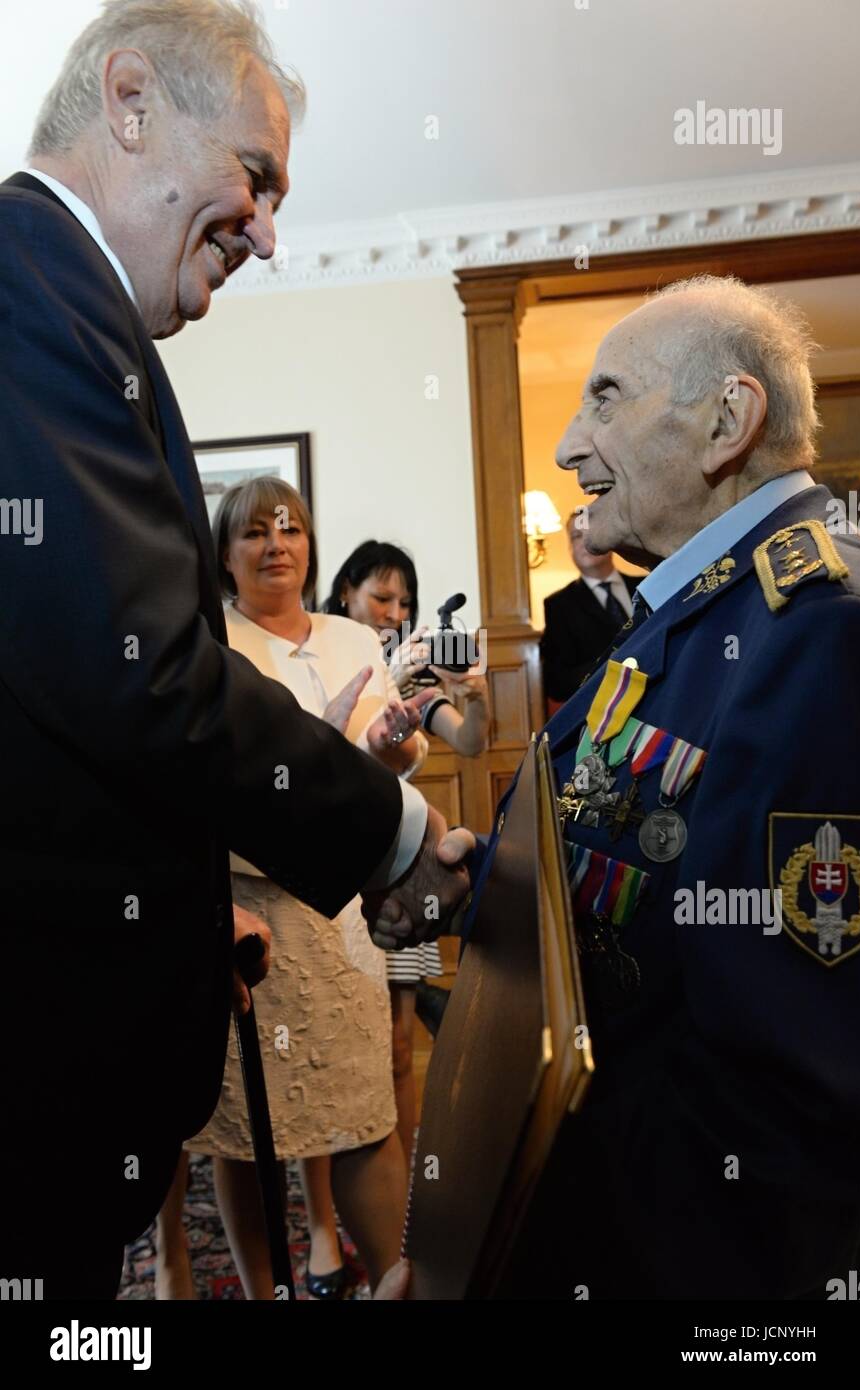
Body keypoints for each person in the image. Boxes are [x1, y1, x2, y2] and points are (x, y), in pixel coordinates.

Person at [0, 0, 466, 1299]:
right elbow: (138, 666)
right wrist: (392, 834)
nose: (269, 232)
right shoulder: (24, 283)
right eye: (255, 180)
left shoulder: (68, 303)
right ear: (130, 100)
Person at [371, 275, 860, 1300]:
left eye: (605, 396)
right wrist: (480, 893)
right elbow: (615, 858)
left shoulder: (814, 624)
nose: (563, 446)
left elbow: (777, 1090)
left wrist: (525, 1245)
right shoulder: (692, 599)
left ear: (727, 420)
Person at [156, 478, 425, 1300]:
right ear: (223, 554)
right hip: (253, 914)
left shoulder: (354, 637)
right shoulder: (206, 644)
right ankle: (262, 1287)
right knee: (251, 1135)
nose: (277, 544)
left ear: (311, 545)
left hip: (342, 914)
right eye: (254, 533)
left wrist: (385, 743)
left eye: (292, 528)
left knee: (362, 1113)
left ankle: (394, 1281)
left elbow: (387, 762)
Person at [325, 542, 490, 1160]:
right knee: (329, 1045)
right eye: (381, 597)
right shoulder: (317, 655)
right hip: (329, 875)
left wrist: (468, 691)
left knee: (397, 1044)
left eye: (405, 602)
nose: (394, 612)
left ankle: (412, 1179)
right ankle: (319, 1209)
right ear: (346, 591)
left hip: (401, 870)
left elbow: (472, 743)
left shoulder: (415, 666)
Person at [540, 512, 641, 712]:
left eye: (591, 532)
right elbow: (558, 683)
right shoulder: (558, 606)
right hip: (601, 711)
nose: (585, 540)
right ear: (570, 547)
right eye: (576, 535)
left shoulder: (646, 585)